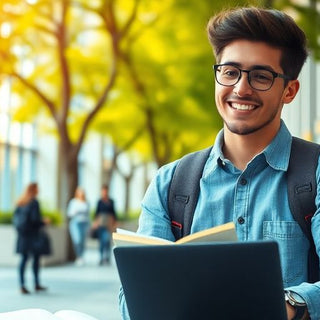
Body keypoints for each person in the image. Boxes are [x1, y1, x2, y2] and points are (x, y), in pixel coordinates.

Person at [119, 7, 320, 320]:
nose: (241, 87)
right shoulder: (170, 183)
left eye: (261, 76)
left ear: (290, 90)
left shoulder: (315, 175)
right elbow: (133, 298)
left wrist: (291, 304)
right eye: (230, 72)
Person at [14, 182, 50, 294]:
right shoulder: (34, 202)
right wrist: (44, 221)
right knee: (35, 260)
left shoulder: (20, 202)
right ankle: (36, 283)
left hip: (23, 236)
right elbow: (35, 220)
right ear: (34, 190)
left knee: (24, 260)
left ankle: (22, 284)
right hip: (33, 236)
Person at [93, 185, 117, 265]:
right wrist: (95, 223)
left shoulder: (111, 201)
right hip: (101, 224)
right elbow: (97, 213)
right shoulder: (99, 202)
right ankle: (101, 257)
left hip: (109, 224)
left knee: (107, 240)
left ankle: (107, 257)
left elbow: (114, 213)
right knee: (101, 242)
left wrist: (115, 223)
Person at [67, 186, 90, 266]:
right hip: (76, 223)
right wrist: (76, 211)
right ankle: (78, 256)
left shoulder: (86, 202)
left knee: (82, 241)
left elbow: (88, 214)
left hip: (84, 223)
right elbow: (69, 213)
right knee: (77, 240)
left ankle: (81, 257)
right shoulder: (73, 202)